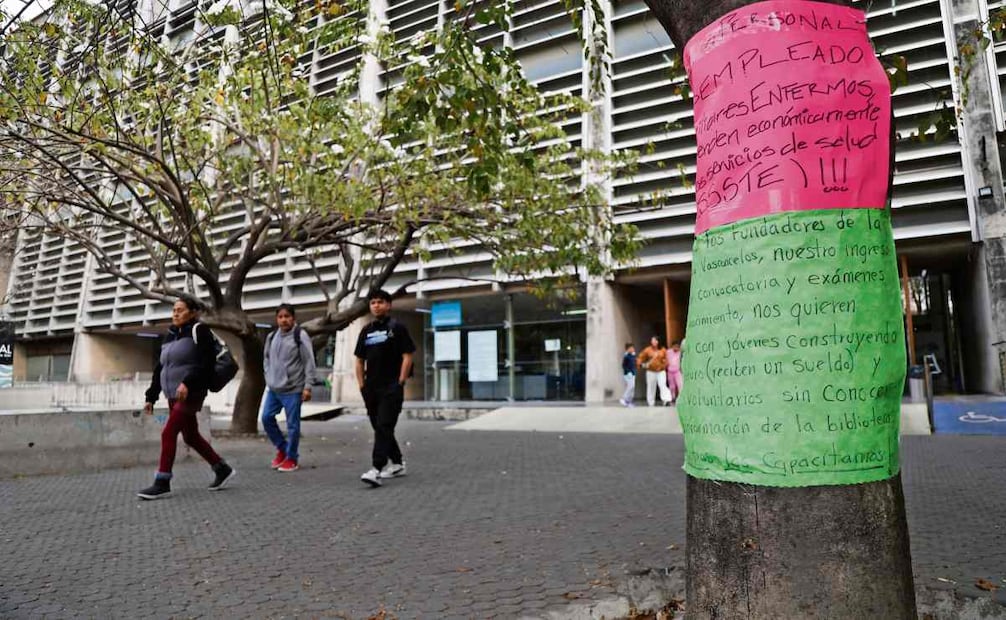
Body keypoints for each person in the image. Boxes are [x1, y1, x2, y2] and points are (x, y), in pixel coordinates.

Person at [137, 296, 235, 500]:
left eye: (180, 310)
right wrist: (151, 396)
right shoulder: (170, 335)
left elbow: (206, 363)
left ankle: (162, 481)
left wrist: (188, 383)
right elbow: (160, 368)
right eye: (174, 310)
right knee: (190, 436)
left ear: (192, 312)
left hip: (191, 393)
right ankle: (221, 468)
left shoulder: (199, 330)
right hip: (172, 394)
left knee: (168, 433)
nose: (175, 313)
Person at [354, 290, 415, 487]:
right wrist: (362, 385)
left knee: (384, 426)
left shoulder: (397, 328)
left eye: (380, 302)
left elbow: (407, 356)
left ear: (388, 305)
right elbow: (359, 360)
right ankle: (397, 463)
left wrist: (401, 381)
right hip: (371, 388)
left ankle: (376, 469)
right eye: (373, 303)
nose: (376, 306)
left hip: (391, 387)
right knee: (380, 426)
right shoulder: (366, 330)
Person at [261, 303, 317, 473]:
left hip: (293, 389)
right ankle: (282, 448)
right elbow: (266, 359)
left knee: (293, 426)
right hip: (274, 389)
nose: (284, 320)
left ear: (293, 318)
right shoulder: (271, 337)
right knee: (266, 418)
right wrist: (268, 376)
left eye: (287, 316)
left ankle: (292, 458)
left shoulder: (300, 336)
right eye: (280, 317)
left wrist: (308, 386)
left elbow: (309, 362)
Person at [637, 336, 672, 407]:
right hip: (651, 371)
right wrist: (640, 363)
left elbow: (667, 360)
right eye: (652, 340)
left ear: (658, 341)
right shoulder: (647, 350)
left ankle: (666, 400)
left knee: (662, 385)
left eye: (654, 340)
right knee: (650, 386)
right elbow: (641, 357)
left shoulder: (663, 350)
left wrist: (664, 366)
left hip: (661, 371)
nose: (653, 342)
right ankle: (651, 402)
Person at [619, 342, 637, 407]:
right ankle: (624, 398)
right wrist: (628, 372)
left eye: (633, 348)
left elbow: (635, 363)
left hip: (633, 373)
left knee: (632, 387)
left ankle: (629, 401)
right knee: (630, 386)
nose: (633, 349)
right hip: (628, 374)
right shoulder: (626, 356)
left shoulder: (633, 355)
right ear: (628, 349)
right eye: (631, 348)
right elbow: (624, 366)